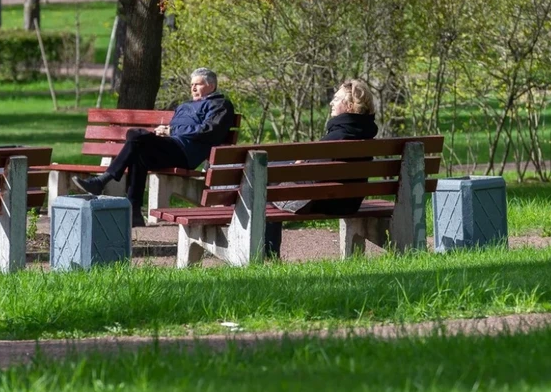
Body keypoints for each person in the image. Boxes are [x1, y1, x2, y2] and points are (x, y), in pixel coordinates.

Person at [72, 68, 235, 227]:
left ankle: (103, 181)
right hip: (169, 147)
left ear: (211, 86)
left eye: (197, 84)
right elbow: (173, 129)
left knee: (136, 136)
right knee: (138, 151)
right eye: (192, 84)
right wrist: (161, 132)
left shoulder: (220, 105)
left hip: (185, 153)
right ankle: (134, 212)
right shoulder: (184, 106)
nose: (193, 88)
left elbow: (210, 130)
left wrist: (171, 131)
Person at [265, 79, 378, 259]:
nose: (331, 102)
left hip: (323, 202)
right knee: (274, 172)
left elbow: (312, 177)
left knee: (262, 190)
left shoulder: (337, 137)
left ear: (349, 106)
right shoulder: (366, 135)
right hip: (349, 202)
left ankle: (268, 256)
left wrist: (296, 167)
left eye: (336, 99)